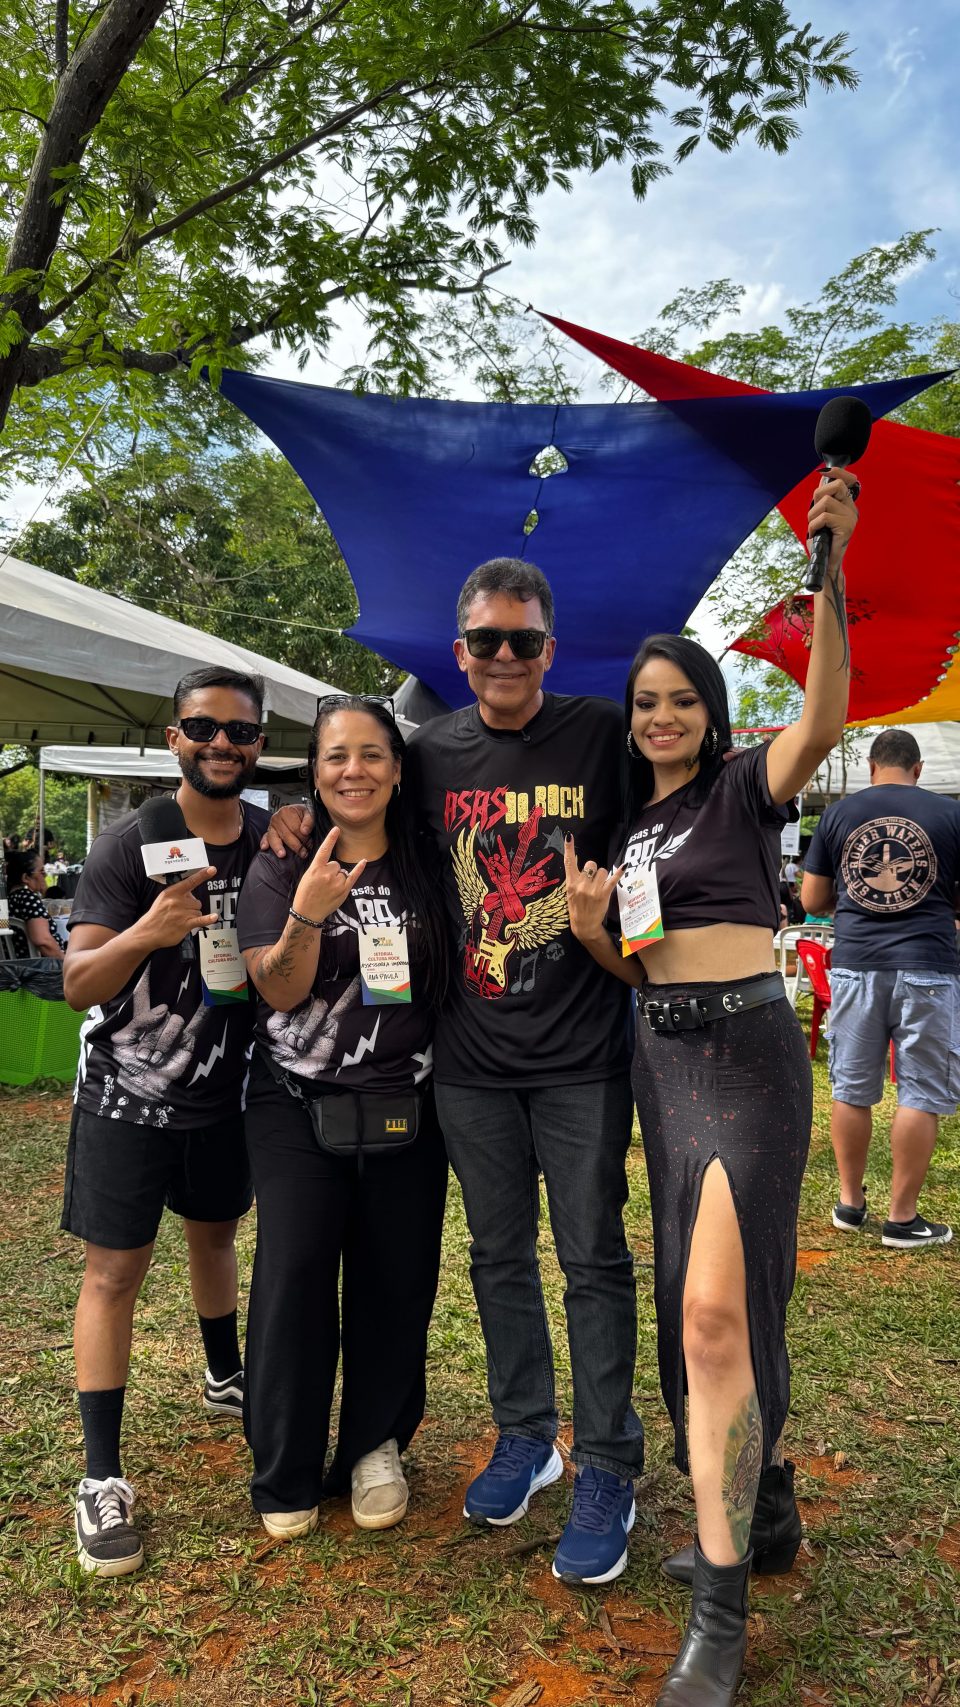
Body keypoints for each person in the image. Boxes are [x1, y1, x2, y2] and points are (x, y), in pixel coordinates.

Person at [564, 468, 858, 1705]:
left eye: (682, 699)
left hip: (744, 1055)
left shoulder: (746, 787)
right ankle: (766, 1500)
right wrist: (592, 930)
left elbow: (827, 717)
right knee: (706, 1311)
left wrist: (830, 570)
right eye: (647, 702)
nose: (662, 716)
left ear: (711, 711)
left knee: (712, 1320)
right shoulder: (628, 833)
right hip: (661, 1058)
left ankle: (720, 1606)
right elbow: (635, 969)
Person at [402, 558, 643, 1589]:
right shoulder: (428, 753)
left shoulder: (602, 734)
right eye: (488, 640)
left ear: (551, 649)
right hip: (470, 1060)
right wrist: (289, 815)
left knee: (593, 1259)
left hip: (583, 1058)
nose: (506, 656)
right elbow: (359, 814)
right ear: (460, 653)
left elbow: (671, 812)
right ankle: (527, 1435)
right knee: (497, 1255)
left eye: (525, 640)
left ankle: (609, 1463)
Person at [61, 667, 271, 1576]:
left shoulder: (269, 838)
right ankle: (100, 1475)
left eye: (241, 731)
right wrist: (148, 930)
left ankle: (224, 1374)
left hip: (227, 1093)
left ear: (259, 743)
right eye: (204, 727)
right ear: (173, 737)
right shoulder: (129, 843)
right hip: (127, 1094)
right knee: (115, 1272)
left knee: (215, 1234)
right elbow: (78, 982)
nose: (222, 743)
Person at [236, 696, 448, 1539]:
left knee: (396, 1277)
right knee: (293, 1273)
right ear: (315, 772)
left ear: (397, 769)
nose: (353, 770)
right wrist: (309, 911)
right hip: (294, 1102)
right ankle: (285, 1465)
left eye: (371, 754)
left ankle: (374, 1445)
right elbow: (277, 988)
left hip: (408, 1106)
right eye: (335, 756)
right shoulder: (284, 861)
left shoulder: (430, 859)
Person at [801, 728, 959, 1251]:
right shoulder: (950, 814)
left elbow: (812, 899)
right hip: (928, 968)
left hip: (856, 967)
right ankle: (902, 1219)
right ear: (918, 769)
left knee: (851, 1088)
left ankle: (850, 1204)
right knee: (920, 1093)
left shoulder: (839, 815)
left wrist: (854, 900)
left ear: (871, 767)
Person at [4, 849, 65, 959]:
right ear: (26, 878)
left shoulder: (8, 900)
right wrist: (66, 962)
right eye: (41, 871)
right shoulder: (28, 898)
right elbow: (43, 941)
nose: (45, 875)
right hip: (40, 965)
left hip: (16, 964)